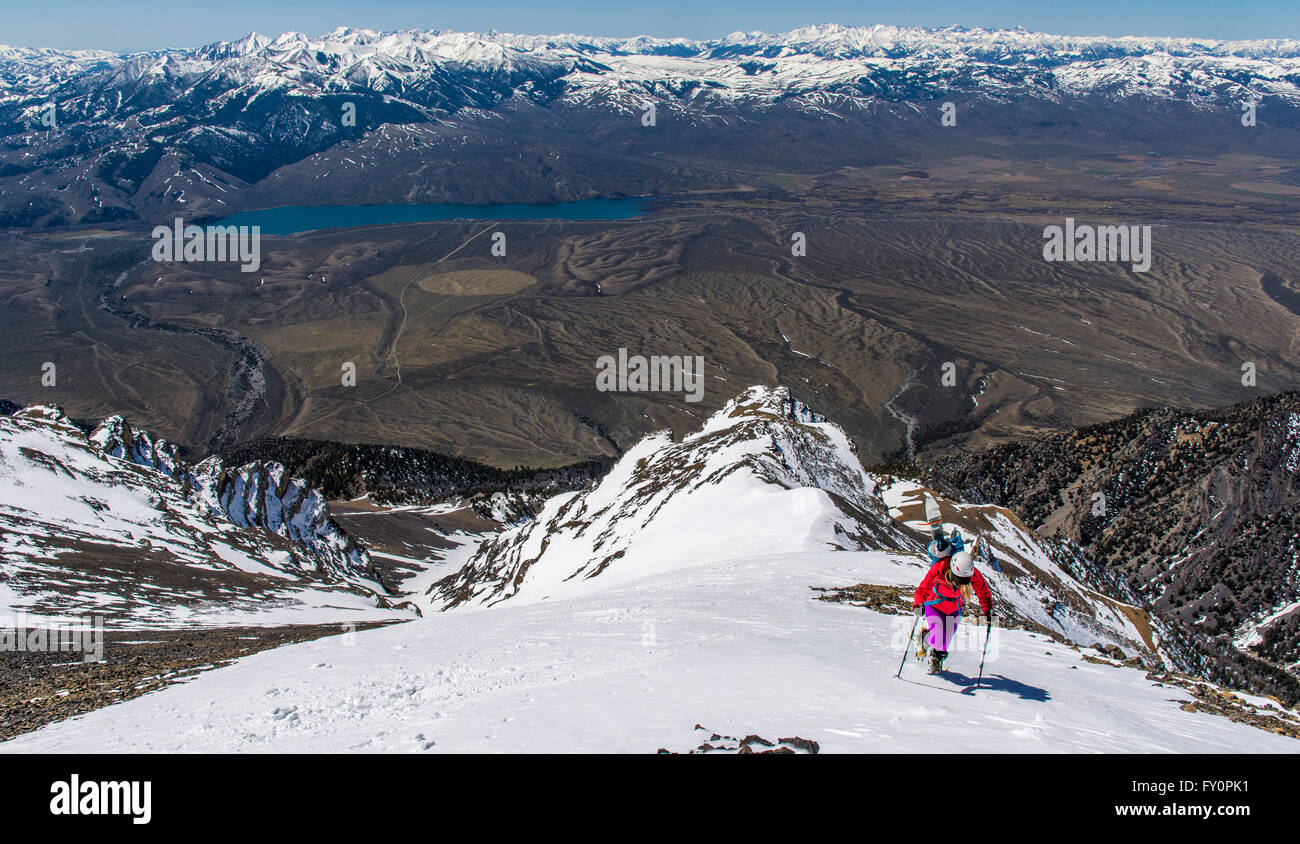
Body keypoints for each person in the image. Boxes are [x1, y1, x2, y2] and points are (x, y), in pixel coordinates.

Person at [913, 544, 992, 674]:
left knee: (944, 643)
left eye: (965, 580)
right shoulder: (940, 567)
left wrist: (988, 609)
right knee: (939, 639)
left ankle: (933, 652)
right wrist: (919, 604)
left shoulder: (970, 571)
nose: (961, 583)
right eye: (960, 579)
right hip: (935, 604)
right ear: (953, 570)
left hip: (954, 608)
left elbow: (983, 590)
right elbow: (923, 588)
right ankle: (926, 641)